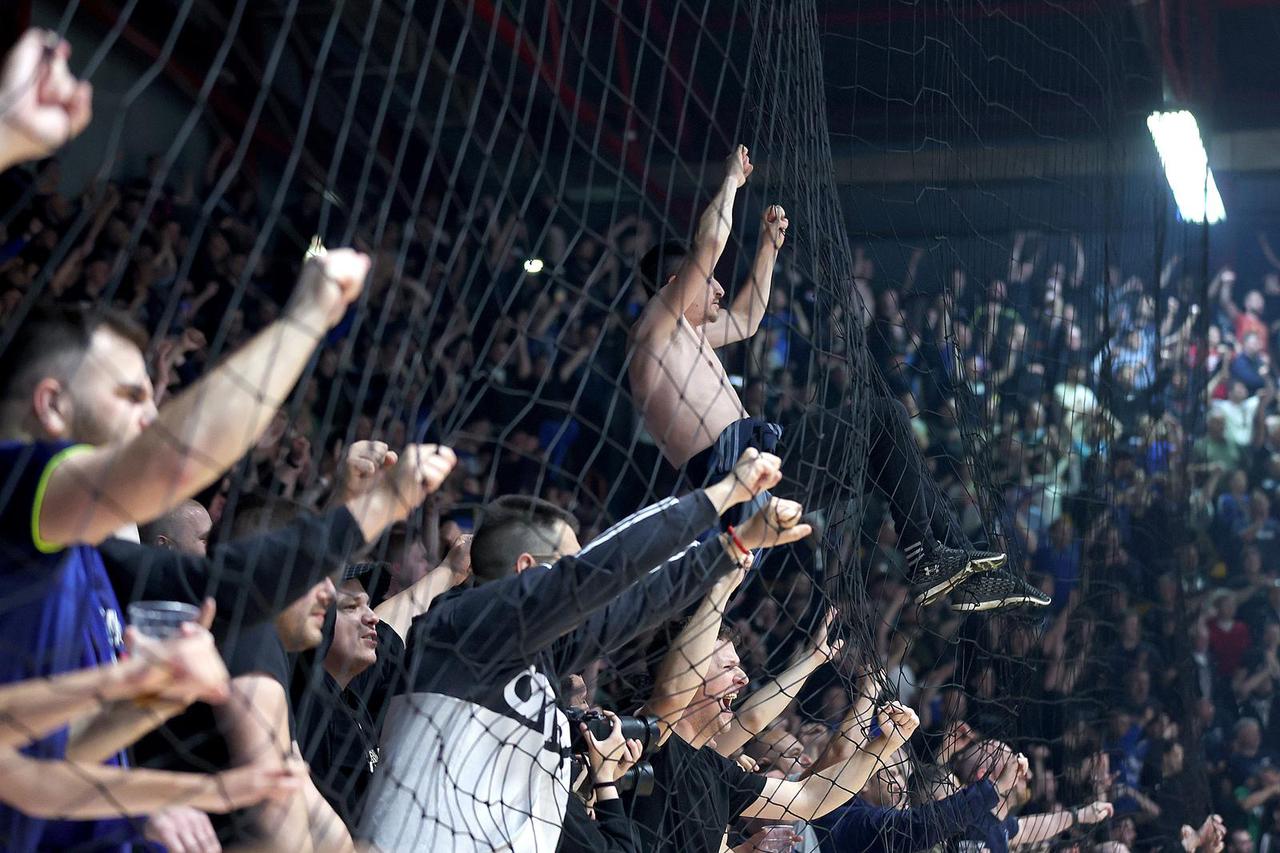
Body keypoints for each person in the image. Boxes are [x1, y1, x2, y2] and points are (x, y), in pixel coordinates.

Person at [627, 144, 1044, 612]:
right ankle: (928, 556)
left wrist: (768, 248)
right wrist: (730, 182)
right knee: (884, 414)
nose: (720, 286)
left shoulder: (692, 338)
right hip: (733, 479)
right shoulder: (655, 332)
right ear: (673, 283)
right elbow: (708, 247)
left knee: (884, 455)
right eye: (708, 280)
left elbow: (745, 320)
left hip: (761, 470)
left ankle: (956, 563)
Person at [360, 449, 808, 851]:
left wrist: (736, 547)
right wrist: (725, 494)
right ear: (527, 571)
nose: (582, 576)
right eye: (569, 562)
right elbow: (603, 572)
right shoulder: (463, 623)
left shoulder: (543, 667)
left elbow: (635, 604)